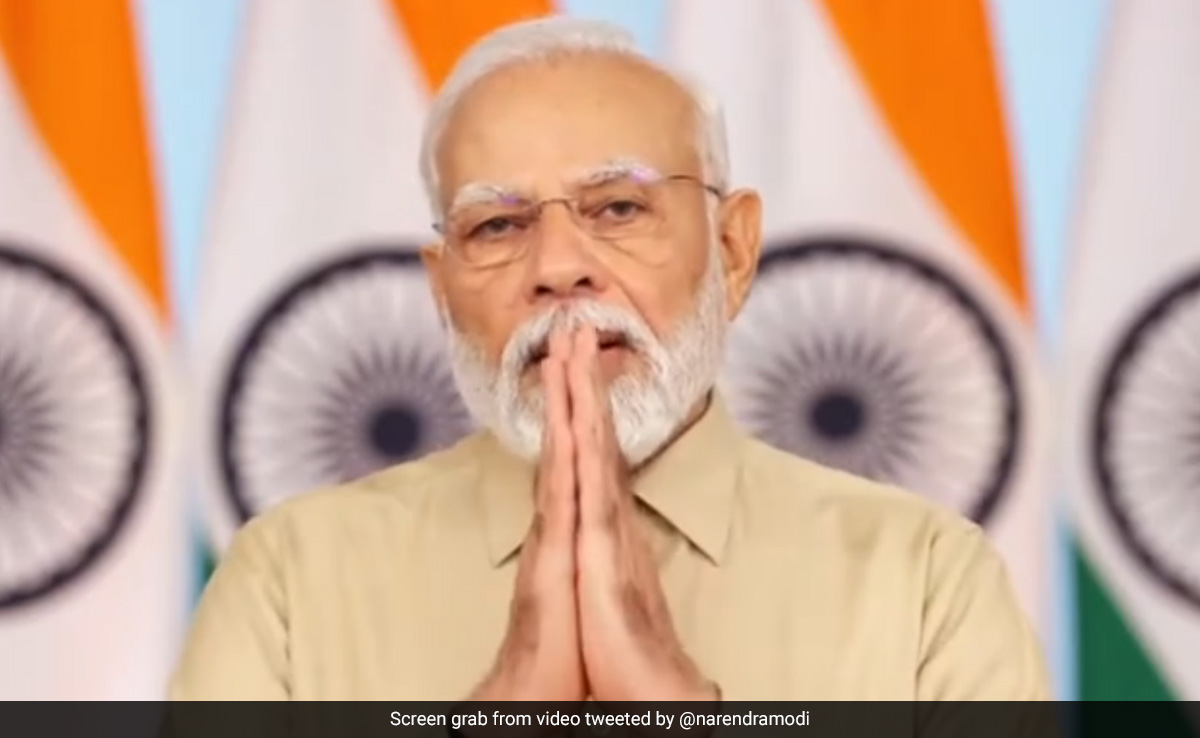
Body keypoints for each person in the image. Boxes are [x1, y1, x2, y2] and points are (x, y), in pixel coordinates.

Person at [170, 16, 1050, 701]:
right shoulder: (289, 583)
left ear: (733, 251)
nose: (558, 268)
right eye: (497, 226)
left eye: (619, 209)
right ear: (442, 291)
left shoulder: (926, 581)